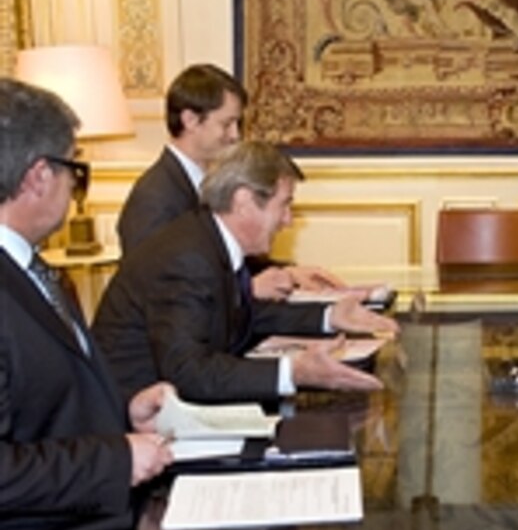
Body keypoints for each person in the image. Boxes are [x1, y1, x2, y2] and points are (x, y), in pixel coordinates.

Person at [0, 78, 173, 530]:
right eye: (77, 170)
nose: (78, 187)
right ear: (39, 176)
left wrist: (123, 411)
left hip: (85, 524)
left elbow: (38, 408)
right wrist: (116, 460)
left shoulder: (35, 270)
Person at [94, 140, 399, 404]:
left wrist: (329, 316)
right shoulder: (188, 259)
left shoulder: (206, 239)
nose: (288, 220)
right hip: (138, 421)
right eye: (284, 206)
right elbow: (188, 373)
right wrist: (292, 372)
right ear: (244, 201)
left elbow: (242, 316)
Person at [116, 63, 343, 299]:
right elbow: (159, 291)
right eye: (226, 124)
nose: (235, 135)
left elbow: (229, 263)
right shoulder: (153, 197)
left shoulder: (207, 181)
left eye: (238, 124)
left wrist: (287, 274)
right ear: (190, 120)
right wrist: (248, 290)